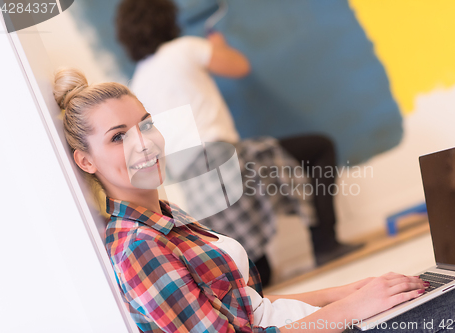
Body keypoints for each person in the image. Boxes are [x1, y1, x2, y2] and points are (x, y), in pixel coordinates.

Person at [54, 68, 455, 333]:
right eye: (118, 137)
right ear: (85, 161)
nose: (143, 144)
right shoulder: (137, 246)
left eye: (145, 125)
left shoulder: (164, 217)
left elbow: (255, 310)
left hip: (324, 321)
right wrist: (354, 307)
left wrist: (350, 291)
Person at [115, 0, 361, 285]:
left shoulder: (138, 81)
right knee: (319, 149)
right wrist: (218, 45)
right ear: (166, 19)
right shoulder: (183, 49)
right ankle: (325, 244)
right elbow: (239, 66)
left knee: (258, 274)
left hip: (192, 180)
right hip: (220, 158)